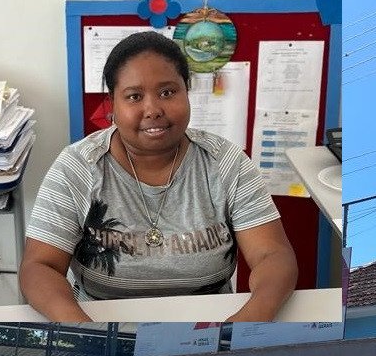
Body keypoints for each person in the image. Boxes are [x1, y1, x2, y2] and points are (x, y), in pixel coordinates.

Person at [19, 32, 298, 322]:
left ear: (186, 92)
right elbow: (39, 267)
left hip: (210, 328)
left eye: (167, 92)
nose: (153, 110)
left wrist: (248, 321)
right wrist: (85, 331)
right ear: (112, 104)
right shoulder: (78, 166)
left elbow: (273, 257)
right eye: (134, 96)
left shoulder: (226, 163)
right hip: (99, 324)